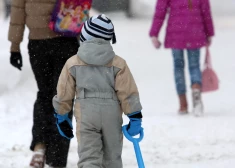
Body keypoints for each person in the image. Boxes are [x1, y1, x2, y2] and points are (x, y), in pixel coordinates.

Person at [52, 14, 143, 167]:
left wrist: (61, 116)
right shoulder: (118, 64)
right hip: (111, 114)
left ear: (84, 36)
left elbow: (64, 93)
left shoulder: (72, 63)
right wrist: (135, 116)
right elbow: (127, 92)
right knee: (112, 159)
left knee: (89, 158)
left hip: (86, 114)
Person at [8, 0, 80, 167]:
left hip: (38, 43)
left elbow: (18, 10)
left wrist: (14, 46)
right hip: (65, 39)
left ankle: (40, 147)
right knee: (63, 98)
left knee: (45, 94)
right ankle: (57, 158)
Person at [149, 0, 214, 116]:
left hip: (175, 35)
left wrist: (154, 33)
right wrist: (209, 33)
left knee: (178, 67)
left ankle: (183, 104)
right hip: (195, 33)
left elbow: (160, 11)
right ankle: (196, 93)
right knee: (194, 66)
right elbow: (205, 12)